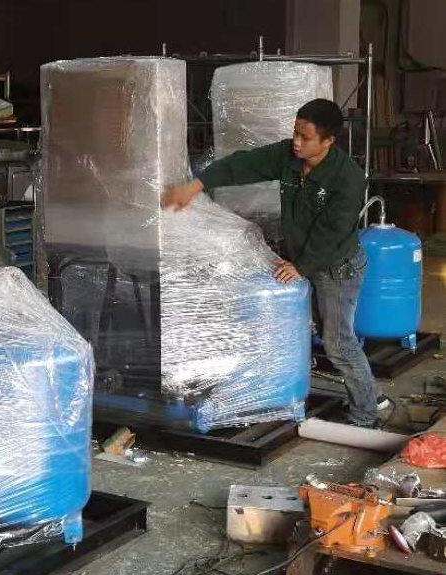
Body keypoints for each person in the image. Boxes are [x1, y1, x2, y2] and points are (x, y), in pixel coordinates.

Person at [162, 98, 387, 428]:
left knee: (338, 344)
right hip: (304, 259)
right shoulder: (288, 157)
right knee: (319, 334)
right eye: (295, 132)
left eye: (305, 137)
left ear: (328, 141)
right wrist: (196, 186)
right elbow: (244, 164)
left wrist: (301, 266)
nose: (296, 142)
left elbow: (333, 232)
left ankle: (365, 417)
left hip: (337, 267)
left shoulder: (347, 178)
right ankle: (370, 394)